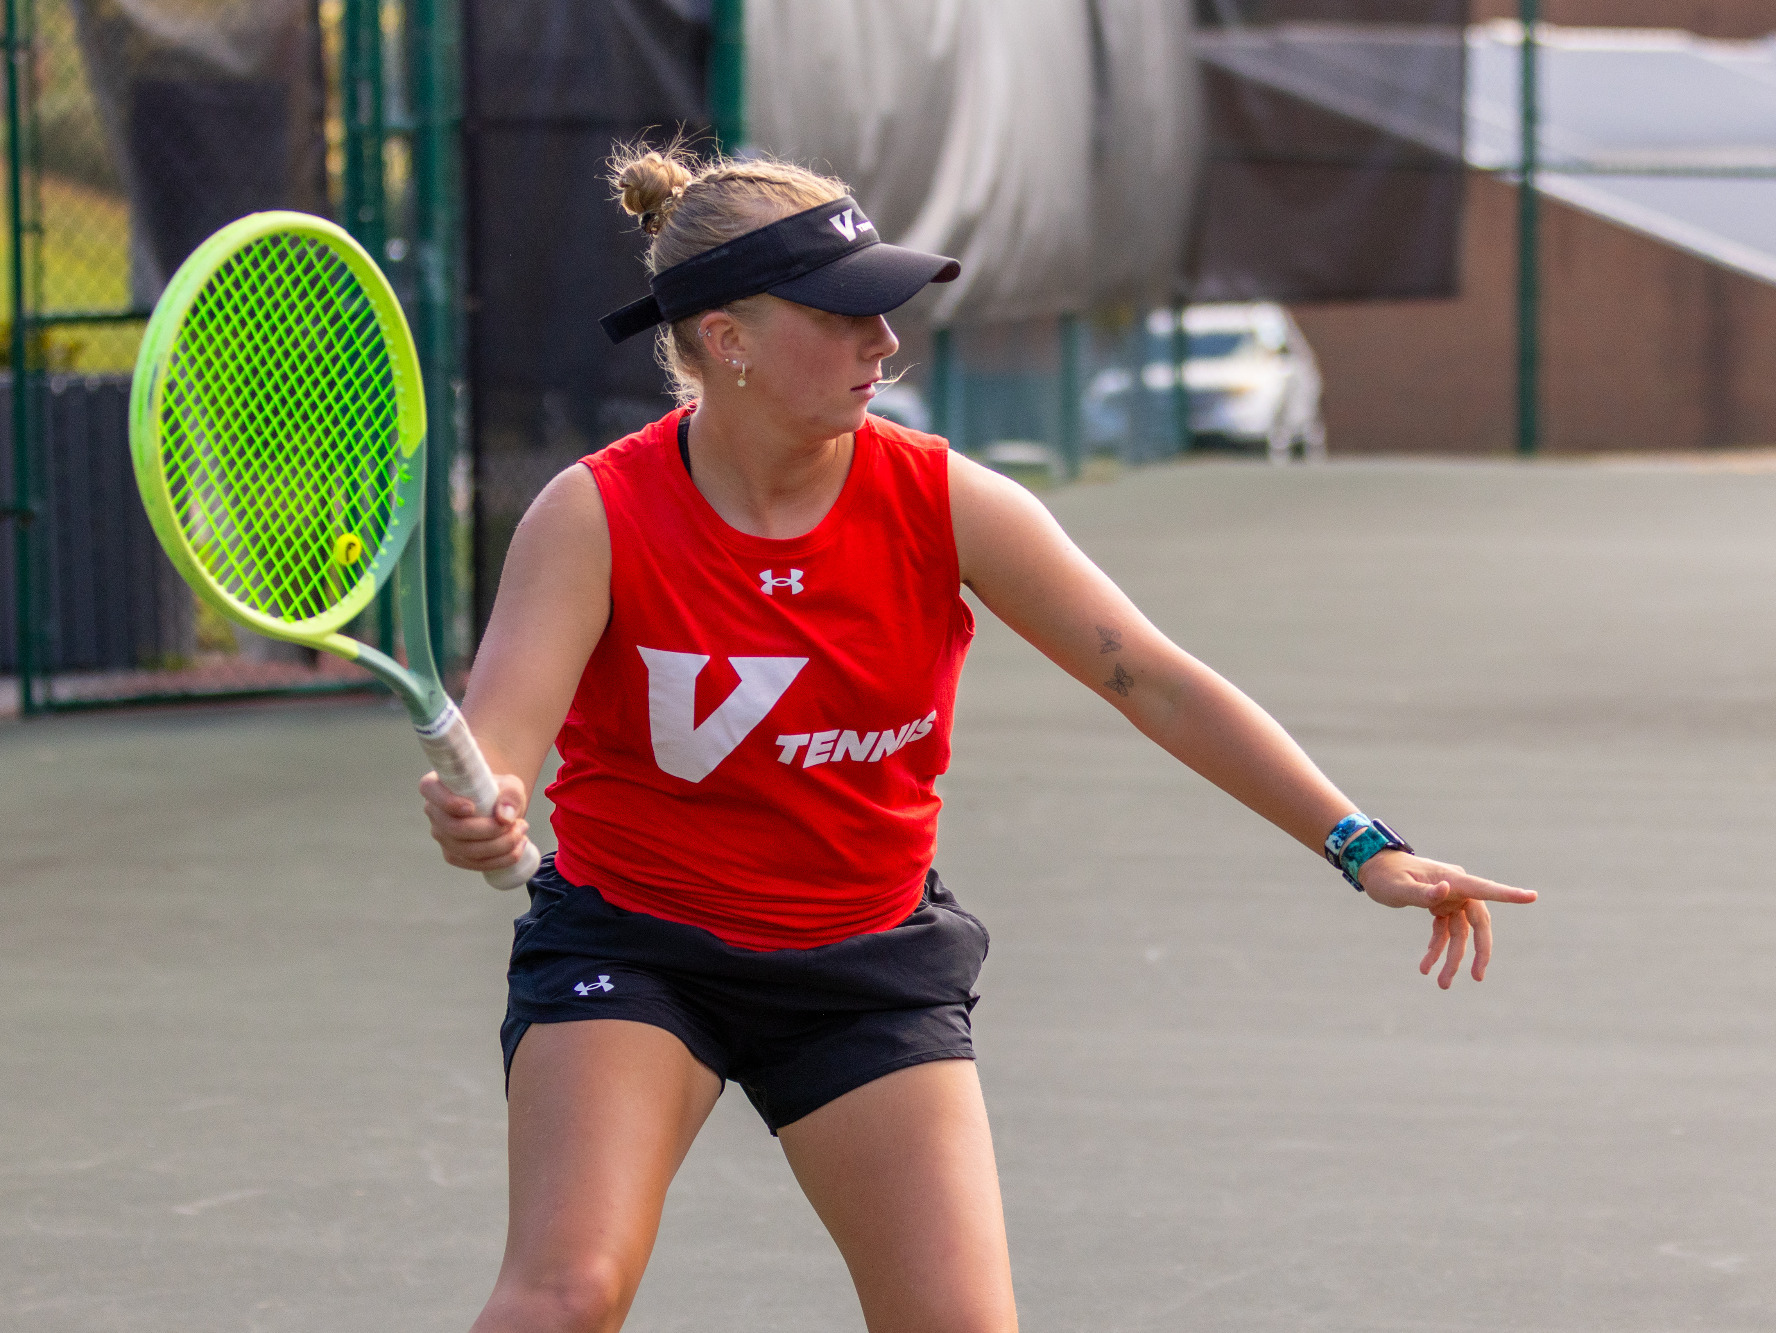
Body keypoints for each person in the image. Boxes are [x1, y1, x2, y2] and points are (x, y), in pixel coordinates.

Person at [421, 143, 1536, 1333]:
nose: (883, 343)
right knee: (566, 1294)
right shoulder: (593, 515)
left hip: (864, 970)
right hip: (637, 949)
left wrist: (1362, 845)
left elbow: (1154, 683)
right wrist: (481, 810)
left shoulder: (945, 500)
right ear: (726, 337)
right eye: (842, 316)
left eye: (884, 310)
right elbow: (500, 753)